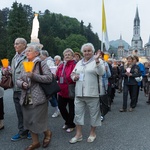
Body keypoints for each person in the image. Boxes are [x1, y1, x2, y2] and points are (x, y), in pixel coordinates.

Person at [17, 45, 52, 150]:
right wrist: (22, 84)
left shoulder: (42, 63)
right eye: (26, 51)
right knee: (29, 120)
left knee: (37, 120)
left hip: (39, 96)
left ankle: (48, 133)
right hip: (26, 96)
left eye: (29, 51)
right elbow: (19, 79)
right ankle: (35, 142)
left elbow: (49, 78)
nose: (26, 53)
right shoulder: (25, 64)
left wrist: (33, 76)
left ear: (36, 53)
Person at [69, 43, 105, 144]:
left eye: (89, 50)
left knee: (94, 114)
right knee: (78, 114)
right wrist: (74, 77)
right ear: (82, 52)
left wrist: (97, 61)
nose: (87, 52)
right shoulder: (79, 62)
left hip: (92, 93)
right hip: (79, 93)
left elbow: (101, 72)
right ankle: (78, 134)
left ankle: (93, 133)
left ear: (93, 52)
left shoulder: (98, 61)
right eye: (85, 51)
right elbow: (73, 73)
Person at [11, 38, 31, 141]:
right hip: (16, 89)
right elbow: (14, 72)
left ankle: (31, 131)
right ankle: (22, 131)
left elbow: (30, 73)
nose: (15, 45)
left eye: (17, 44)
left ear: (24, 45)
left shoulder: (28, 56)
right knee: (19, 112)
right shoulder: (15, 57)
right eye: (14, 44)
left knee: (28, 111)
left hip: (25, 89)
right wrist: (8, 72)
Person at [56, 48, 76, 133]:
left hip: (71, 89)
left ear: (72, 56)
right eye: (65, 55)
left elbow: (75, 76)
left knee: (71, 109)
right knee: (61, 107)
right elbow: (57, 75)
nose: (67, 56)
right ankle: (68, 121)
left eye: (69, 55)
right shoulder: (61, 65)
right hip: (61, 90)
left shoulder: (74, 65)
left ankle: (70, 124)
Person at [40, 50, 60, 118]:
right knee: (49, 97)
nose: (40, 57)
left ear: (44, 55)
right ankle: (55, 109)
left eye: (41, 55)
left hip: (49, 82)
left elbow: (52, 71)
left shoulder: (48, 61)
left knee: (51, 97)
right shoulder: (47, 61)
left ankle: (57, 109)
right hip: (47, 81)